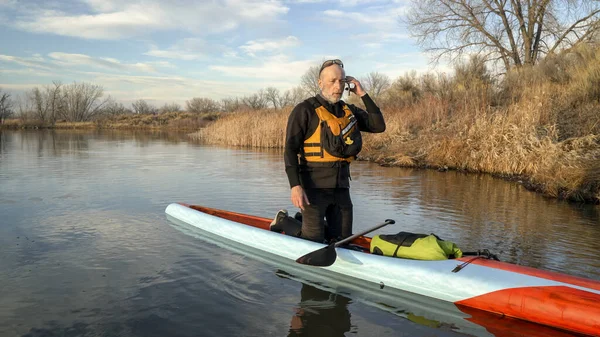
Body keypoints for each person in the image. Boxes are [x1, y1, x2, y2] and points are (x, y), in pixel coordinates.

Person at [271, 59, 386, 243]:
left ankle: (303, 220)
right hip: (313, 188)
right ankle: (283, 221)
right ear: (320, 83)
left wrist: (362, 93)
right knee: (313, 240)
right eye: (332, 81)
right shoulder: (304, 110)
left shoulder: (348, 110)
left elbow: (378, 126)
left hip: (341, 188)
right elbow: (290, 150)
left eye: (341, 81)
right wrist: (295, 186)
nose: (338, 86)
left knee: (342, 240)